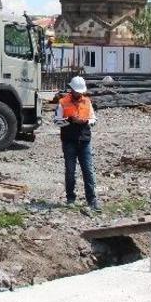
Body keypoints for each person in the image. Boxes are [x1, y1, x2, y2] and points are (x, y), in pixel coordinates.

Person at [53, 76, 100, 211]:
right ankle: (70, 198)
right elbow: (56, 121)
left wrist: (85, 121)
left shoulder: (87, 101)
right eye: (77, 91)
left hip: (84, 140)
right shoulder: (63, 102)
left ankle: (92, 199)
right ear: (72, 89)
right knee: (70, 171)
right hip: (69, 141)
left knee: (88, 170)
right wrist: (70, 120)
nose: (79, 94)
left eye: (81, 92)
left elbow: (93, 119)